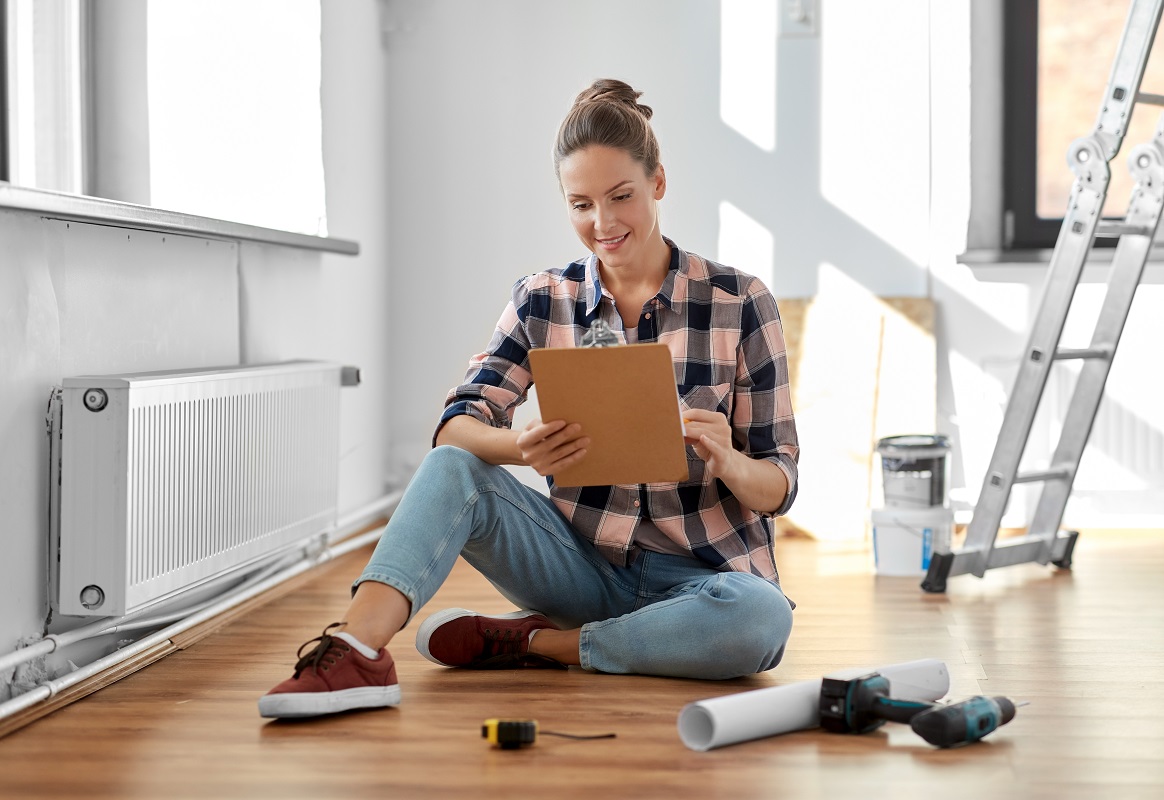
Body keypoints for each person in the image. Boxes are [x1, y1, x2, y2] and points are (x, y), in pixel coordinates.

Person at [259, 78, 800, 719]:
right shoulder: (544, 298)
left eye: (621, 196)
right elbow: (454, 428)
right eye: (581, 204)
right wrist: (518, 446)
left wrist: (728, 459)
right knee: (451, 469)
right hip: (581, 569)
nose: (602, 224)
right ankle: (355, 651)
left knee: (761, 623)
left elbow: (780, 483)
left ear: (658, 182)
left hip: (704, 578)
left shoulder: (741, 301)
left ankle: (540, 644)